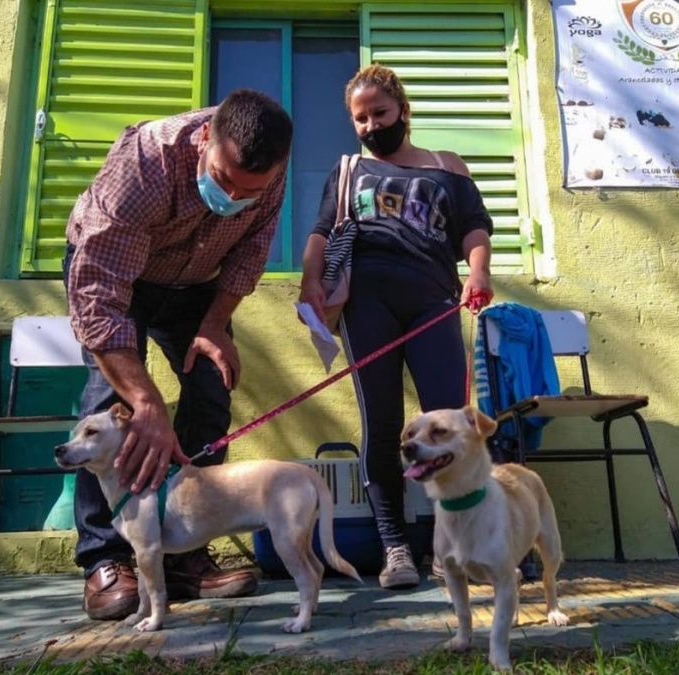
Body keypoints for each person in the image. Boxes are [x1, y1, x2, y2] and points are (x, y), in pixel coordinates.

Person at [64, 89, 293, 620]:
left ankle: (185, 551)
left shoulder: (270, 172)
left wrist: (215, 323)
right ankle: (107, 557)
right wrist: (145, 402)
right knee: (108, 403)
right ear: (204, 144)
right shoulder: (145, 164)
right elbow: (99, 297)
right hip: (120, 278)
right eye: (225, 179)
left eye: (249, 190)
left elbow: (249, 254)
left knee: (211, 389)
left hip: (197, 284)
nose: (235, 194)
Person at [298, 65, 494, 590]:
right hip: (368, 307)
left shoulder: (446, 167)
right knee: (383, 427)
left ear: (403, 111)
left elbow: (474, 227)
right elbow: (321, 233)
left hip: (434, 302)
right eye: (359, 119)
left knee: (450, 427)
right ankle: (396, 549)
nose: (369, 126)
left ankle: (448, 546)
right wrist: (310, 284)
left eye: (379, 114)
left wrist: (478, 272)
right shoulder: (347, 172)